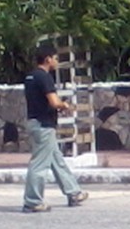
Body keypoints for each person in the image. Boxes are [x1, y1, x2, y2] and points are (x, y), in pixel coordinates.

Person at [22, 44, 89, 213]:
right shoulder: (45, 77)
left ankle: (74, 192)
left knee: (56, 160)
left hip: (35, 122)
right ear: (48, 59)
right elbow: (54, 102)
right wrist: (65, 105)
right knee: (39, 164)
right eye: (56, 58)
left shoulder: (30, 77)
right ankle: (32, 201)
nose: (57, 62)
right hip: (44, 125)